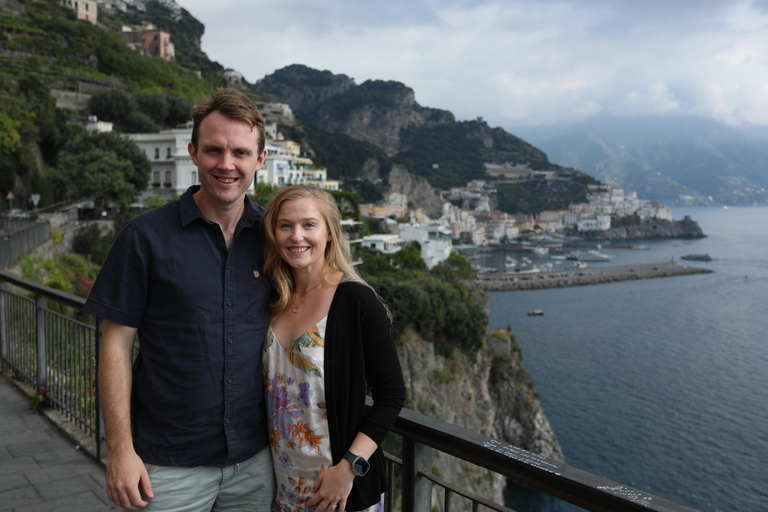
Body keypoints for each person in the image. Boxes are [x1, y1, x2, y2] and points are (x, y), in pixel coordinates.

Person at [84, 88, 275, 511]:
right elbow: (115, 344)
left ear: (260, 159)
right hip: (167, 465)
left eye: (240, 152)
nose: (227, 164)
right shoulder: (144, 237)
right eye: (214, 150)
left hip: (256, 463)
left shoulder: (275, 238)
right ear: (192, 152)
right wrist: (119, 450)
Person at [261, 185, 406, 512]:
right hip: (281, 486)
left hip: (339, 491)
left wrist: (349, 468)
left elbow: (392, 394)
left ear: (329, 233)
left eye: (309, 225)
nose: (296, 236)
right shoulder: (272, 299)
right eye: (286, 225)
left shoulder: (357, 300)